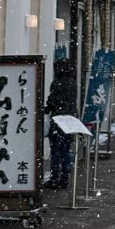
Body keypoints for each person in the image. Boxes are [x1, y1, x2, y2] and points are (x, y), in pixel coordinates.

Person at [44, 60, 77, 189]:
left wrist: (48, 107)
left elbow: (52, 101)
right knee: (66, 151)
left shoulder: (57, 83)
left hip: (58, 121)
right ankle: (65, 177)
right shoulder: (73, 84)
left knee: (56, 151)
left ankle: (54, 178)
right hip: (69, 121)